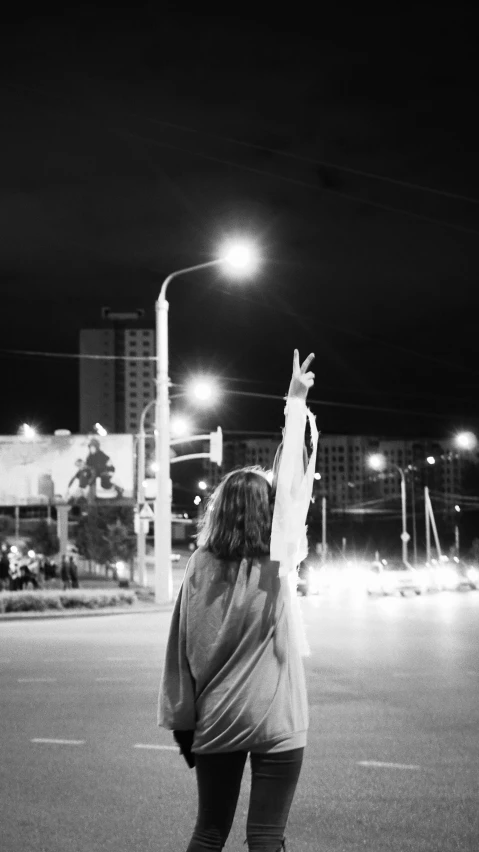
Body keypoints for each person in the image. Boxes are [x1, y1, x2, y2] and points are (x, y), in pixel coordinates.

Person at [158, 350, 318, 852]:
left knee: (209, 833)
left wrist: (183, 721)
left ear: (220, 509)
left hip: (218, 718)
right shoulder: (276, 564)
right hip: (277, 719)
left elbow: (178, 653)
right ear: (270, 514)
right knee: (267, 837)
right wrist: (295, 404)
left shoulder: (199, 566)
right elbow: (293, 487)